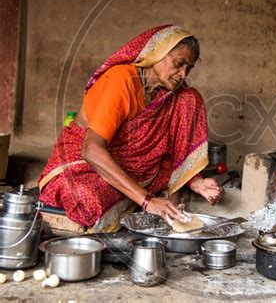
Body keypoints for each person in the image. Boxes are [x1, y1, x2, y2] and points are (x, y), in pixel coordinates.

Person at [38, 24, 224, 232]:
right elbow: (91, 149)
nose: (182, 74)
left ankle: (141, 196)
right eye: (179, 63)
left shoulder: (171, 96)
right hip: (85, 163)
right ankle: (141, 199)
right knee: (87, 198)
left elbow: (177, 146)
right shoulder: (122, 80)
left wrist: (196, 182)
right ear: (157, 53)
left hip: (139, 169)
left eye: (188, 68)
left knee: (190, 98)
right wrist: (147, 201)